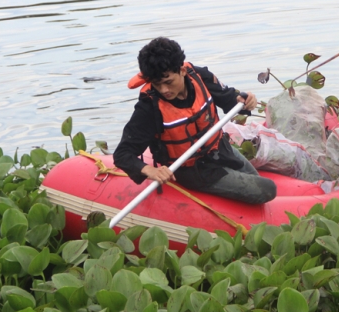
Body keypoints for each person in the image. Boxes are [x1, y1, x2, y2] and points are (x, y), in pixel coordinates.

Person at [113, 37, 276, 204]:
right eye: (157, 84)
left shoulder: (200, 77)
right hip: (191, 170)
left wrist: (246, 101)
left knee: (257, 181)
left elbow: (231, 101)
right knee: (267, 190)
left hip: (220, 150)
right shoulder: (149, 107)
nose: (164, 90)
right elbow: (122, 155)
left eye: (168, 82)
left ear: (182, 71)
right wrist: (149, 170)